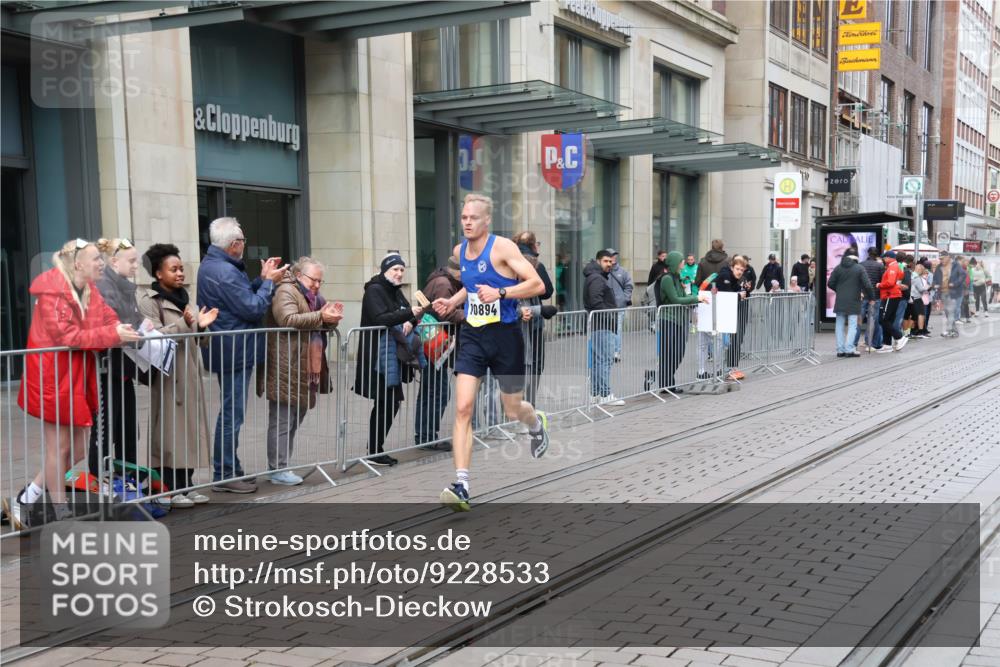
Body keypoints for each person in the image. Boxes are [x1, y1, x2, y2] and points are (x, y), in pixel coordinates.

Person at [11, 240, 142, 526]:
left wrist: (122, 327)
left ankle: (28, 496)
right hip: (52, 378)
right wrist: (113, 334)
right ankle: (59, 511)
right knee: (59, 448)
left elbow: (107, 317)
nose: (101, 263)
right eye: (96, 259)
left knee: (79, 449)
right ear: (78, 264)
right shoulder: (54, 293)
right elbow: (67, 337)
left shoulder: (89, 290)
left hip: (74, 378)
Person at [431, 193, 548, 512]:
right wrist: (452, 302)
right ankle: (462, 483)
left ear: (486, 221)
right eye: (464, 217)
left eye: (473, 218)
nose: (466, 222)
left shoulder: (503, 248)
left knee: (512, 409)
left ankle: (535, 422)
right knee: (463, 408)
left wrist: (501, 292)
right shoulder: (460, 252)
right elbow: (471, 287)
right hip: (473, 335)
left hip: (506, 336)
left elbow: (537, 285)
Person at [197, 217, 288, 493]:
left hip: (231, 348)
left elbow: (238, 298)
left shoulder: (217, 266)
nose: (245, 245)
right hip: (234, 350)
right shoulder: (223, 271)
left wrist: (261, 279)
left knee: (232, 412)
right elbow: (251, 307)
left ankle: (230, 467)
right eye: (243, 241)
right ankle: (224, 473)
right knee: (232, 414)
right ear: (235, 245)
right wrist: (269, 284)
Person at [139, 244, 218, 507]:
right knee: (171, 433)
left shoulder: (185, 298)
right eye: (173, 269)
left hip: (190, 373)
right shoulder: (150, 301)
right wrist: (187, 323)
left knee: (191, 431)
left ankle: (187, 483)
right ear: (159, 274)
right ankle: (169, 487)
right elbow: (154, 336)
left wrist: (202, 328)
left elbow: (198, 340)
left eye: (181, 268)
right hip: (168, 375)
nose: (180, 273)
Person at [257, 257, 342, 485]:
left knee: (295, 418)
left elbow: (319, 321)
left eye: (320, 281)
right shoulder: (285, 290)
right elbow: (287, 319)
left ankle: (282, 465)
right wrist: (321, 317)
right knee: (283, 419)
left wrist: (330, 319)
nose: (317, 285)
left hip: (303, 365)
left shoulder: (311, 296)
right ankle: (277, 469)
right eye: (314, 280)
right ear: (299, 275)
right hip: (286, 362)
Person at [355, 253, 425, 467]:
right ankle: (375, 451)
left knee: (390, 402)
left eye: (402, 270)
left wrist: (411, 321)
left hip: (392, 355)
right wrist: (407, 315)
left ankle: (376, 449)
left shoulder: (396, 291)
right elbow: (381, 318)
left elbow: (408, 314)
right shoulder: (374, 290)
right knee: (386, 401)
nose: (399, 273)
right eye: (395, 269)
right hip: (378, 355)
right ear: (384, 270)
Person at [88, 238, 144, 479]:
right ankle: (99, 480)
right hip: (105, 369)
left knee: (127, 429)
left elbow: (134, 321)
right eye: (131, 261)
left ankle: (126, 479)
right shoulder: (102, 286)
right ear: (113, 261)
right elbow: (113, 324)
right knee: (105, 430)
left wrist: (143, 329)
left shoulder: (123, 286)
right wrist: (133, 330)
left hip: (121, 367)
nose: (135, 267)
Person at [414, 256, 465, 451]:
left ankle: (425, 435)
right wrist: (470, 314)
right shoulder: (444, 284)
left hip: (432, 342)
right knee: (438, 391)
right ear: (458, 271)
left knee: (431, 390)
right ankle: (427, 436)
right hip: (434, 343)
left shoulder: (442, 280)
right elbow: (446, 312)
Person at [513, 231, 555, 407]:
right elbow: (547, 291)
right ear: (533, 244)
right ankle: (528, 403)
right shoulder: (535, 264)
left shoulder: (510, 260)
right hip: (529, 323)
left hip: (518, 323)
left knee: (521, 364)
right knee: (533, 364)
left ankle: (520, 404)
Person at [658, 250, 710, 391]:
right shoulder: (667, 279)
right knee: (669, 353)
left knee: (679, 353)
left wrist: (690, 293)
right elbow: (675, 299)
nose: (683, 264)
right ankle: (667, 385)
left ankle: (666, 381)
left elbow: (682, 296)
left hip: (679, 320)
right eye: (681, 261)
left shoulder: (677, 277)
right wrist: (696, 298)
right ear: (675, 263)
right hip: (669, 319)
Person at [583, 250, 624, 406]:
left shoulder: (595, 277)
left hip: (599, 325)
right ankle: (605, 394)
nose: (609, 264)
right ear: (598, 261)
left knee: (598, 361)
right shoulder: (597, 278)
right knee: (604, 361)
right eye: (606, 261)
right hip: (602, 325)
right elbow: (596, 301)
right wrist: (609, 316)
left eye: (611, 262)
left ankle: (596, 394)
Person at [707, 256, 750, 380]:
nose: (740, 272)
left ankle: (729, 368)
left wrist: (745, 290)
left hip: (723, 312)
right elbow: (727, 295)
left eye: (742, 270)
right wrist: (738, 295)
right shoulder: (725, 275)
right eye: (737, 269)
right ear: (732, 267)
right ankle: (720, 370)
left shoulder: (733, 278)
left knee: (729, 340)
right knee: (715, 342)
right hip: (712, 311)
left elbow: (739, 292)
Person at [827, 248, 874, 358]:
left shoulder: (838, 268)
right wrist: (871, 297)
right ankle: (849, 349)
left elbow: (830, 283)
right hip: (854, 300)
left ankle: (840, 350)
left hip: (840, 300)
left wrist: (839, 290)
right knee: (853, 324)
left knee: (839, 324)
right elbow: (867, 285)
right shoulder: (859, 268)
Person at [875, 250, 907, 353]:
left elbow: (890, 282)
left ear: (888, 258)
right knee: (887, 320)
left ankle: (899, 337)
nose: (883, 260)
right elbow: (898, 279)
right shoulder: (895, 266)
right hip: (892, 295)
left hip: (889, 295)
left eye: (884, 258)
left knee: (883, 320)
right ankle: (887, 344)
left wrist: (880, 285)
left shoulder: (892, 267)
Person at [855, 247, 885, 352]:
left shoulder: (861, 264)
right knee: (872, 320)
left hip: (863, 296)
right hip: (875, 296)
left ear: (868, 253)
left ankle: (854, 343)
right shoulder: (880, 266)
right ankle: (870, 343)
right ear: (877, 255)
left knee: (858, 320)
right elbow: (882, 282)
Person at [910, 263, 931, 338]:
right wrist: (928, 287)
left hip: (912, 297)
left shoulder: (912, 275)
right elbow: (921, 289)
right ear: (920, 270)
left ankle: (911, 332)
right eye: (922, 270)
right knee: (921, 315)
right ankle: (920, 332)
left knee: (914, 316)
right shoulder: (916, 277)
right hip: (917, 297)